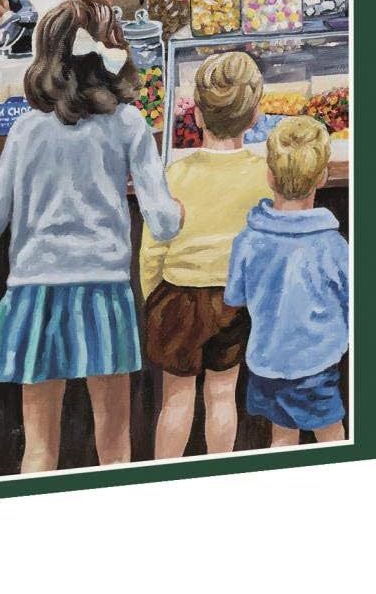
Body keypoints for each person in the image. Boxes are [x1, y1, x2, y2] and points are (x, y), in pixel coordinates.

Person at [0, 0, 184, 473]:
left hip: (34, 295)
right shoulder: (128, 123)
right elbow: (162, 222)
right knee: (114, 447)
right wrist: (179, 211)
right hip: (103, 294)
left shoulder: (25, 130)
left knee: (38, 449)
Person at [141, 51, 270, 457]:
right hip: (233, 299)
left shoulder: (174, 175)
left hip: (178, 299)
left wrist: (152, 297)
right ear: (254, 117)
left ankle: (163, 475)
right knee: (222, 394)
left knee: (176, 400)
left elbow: (152, 250)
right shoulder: (264, 175)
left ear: (196, 115)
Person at [225, 117, 348, 448]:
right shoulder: (333, 246)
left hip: (267, 363)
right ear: (322, 176)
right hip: (317, 365)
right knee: (331, 435)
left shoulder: (248, 240)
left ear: (269, 175)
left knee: (280, 438)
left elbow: (234, 297)